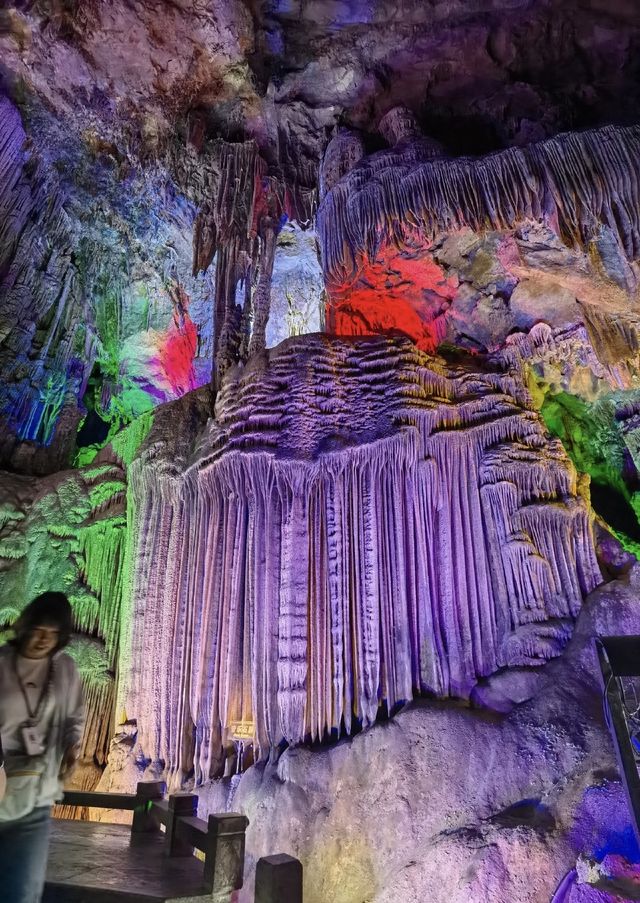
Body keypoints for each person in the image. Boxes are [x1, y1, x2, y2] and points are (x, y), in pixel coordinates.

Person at [0, 592, 84, 903]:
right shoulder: (2, 663)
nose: (44, 639)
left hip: (37, 795)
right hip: (1, 782)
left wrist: (72, 746)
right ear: (25, 626)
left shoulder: (65, 669)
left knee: (22, 892)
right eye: (38, 630)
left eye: (53, 633)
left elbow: (74, 716)